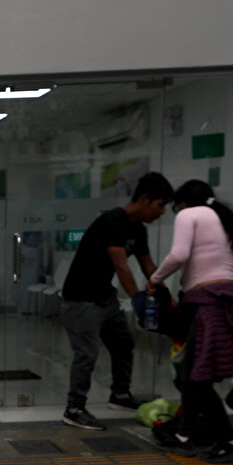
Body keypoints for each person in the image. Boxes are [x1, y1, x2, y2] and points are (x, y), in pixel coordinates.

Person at [147, 180, 233, 462]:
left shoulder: (190, 214)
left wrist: (154, 280)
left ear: (184, 204)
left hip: (209, 305)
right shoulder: (227, 220)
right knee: (194, 373)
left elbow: (179, 255)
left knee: (196, 376)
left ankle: (232, 440)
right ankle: (184, 436)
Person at [59, 172, 174, 430]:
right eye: (160, 205)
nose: (163, 212)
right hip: (80, 299)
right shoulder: (112, 221)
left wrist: (167, 297)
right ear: (144, 199)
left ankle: (120, 395)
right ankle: (74, 408)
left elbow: (148, 267)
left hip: (104, 297)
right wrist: (139, 300)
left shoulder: (138, 229)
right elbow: (122, 267)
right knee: (87, 354)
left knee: (123, 342)